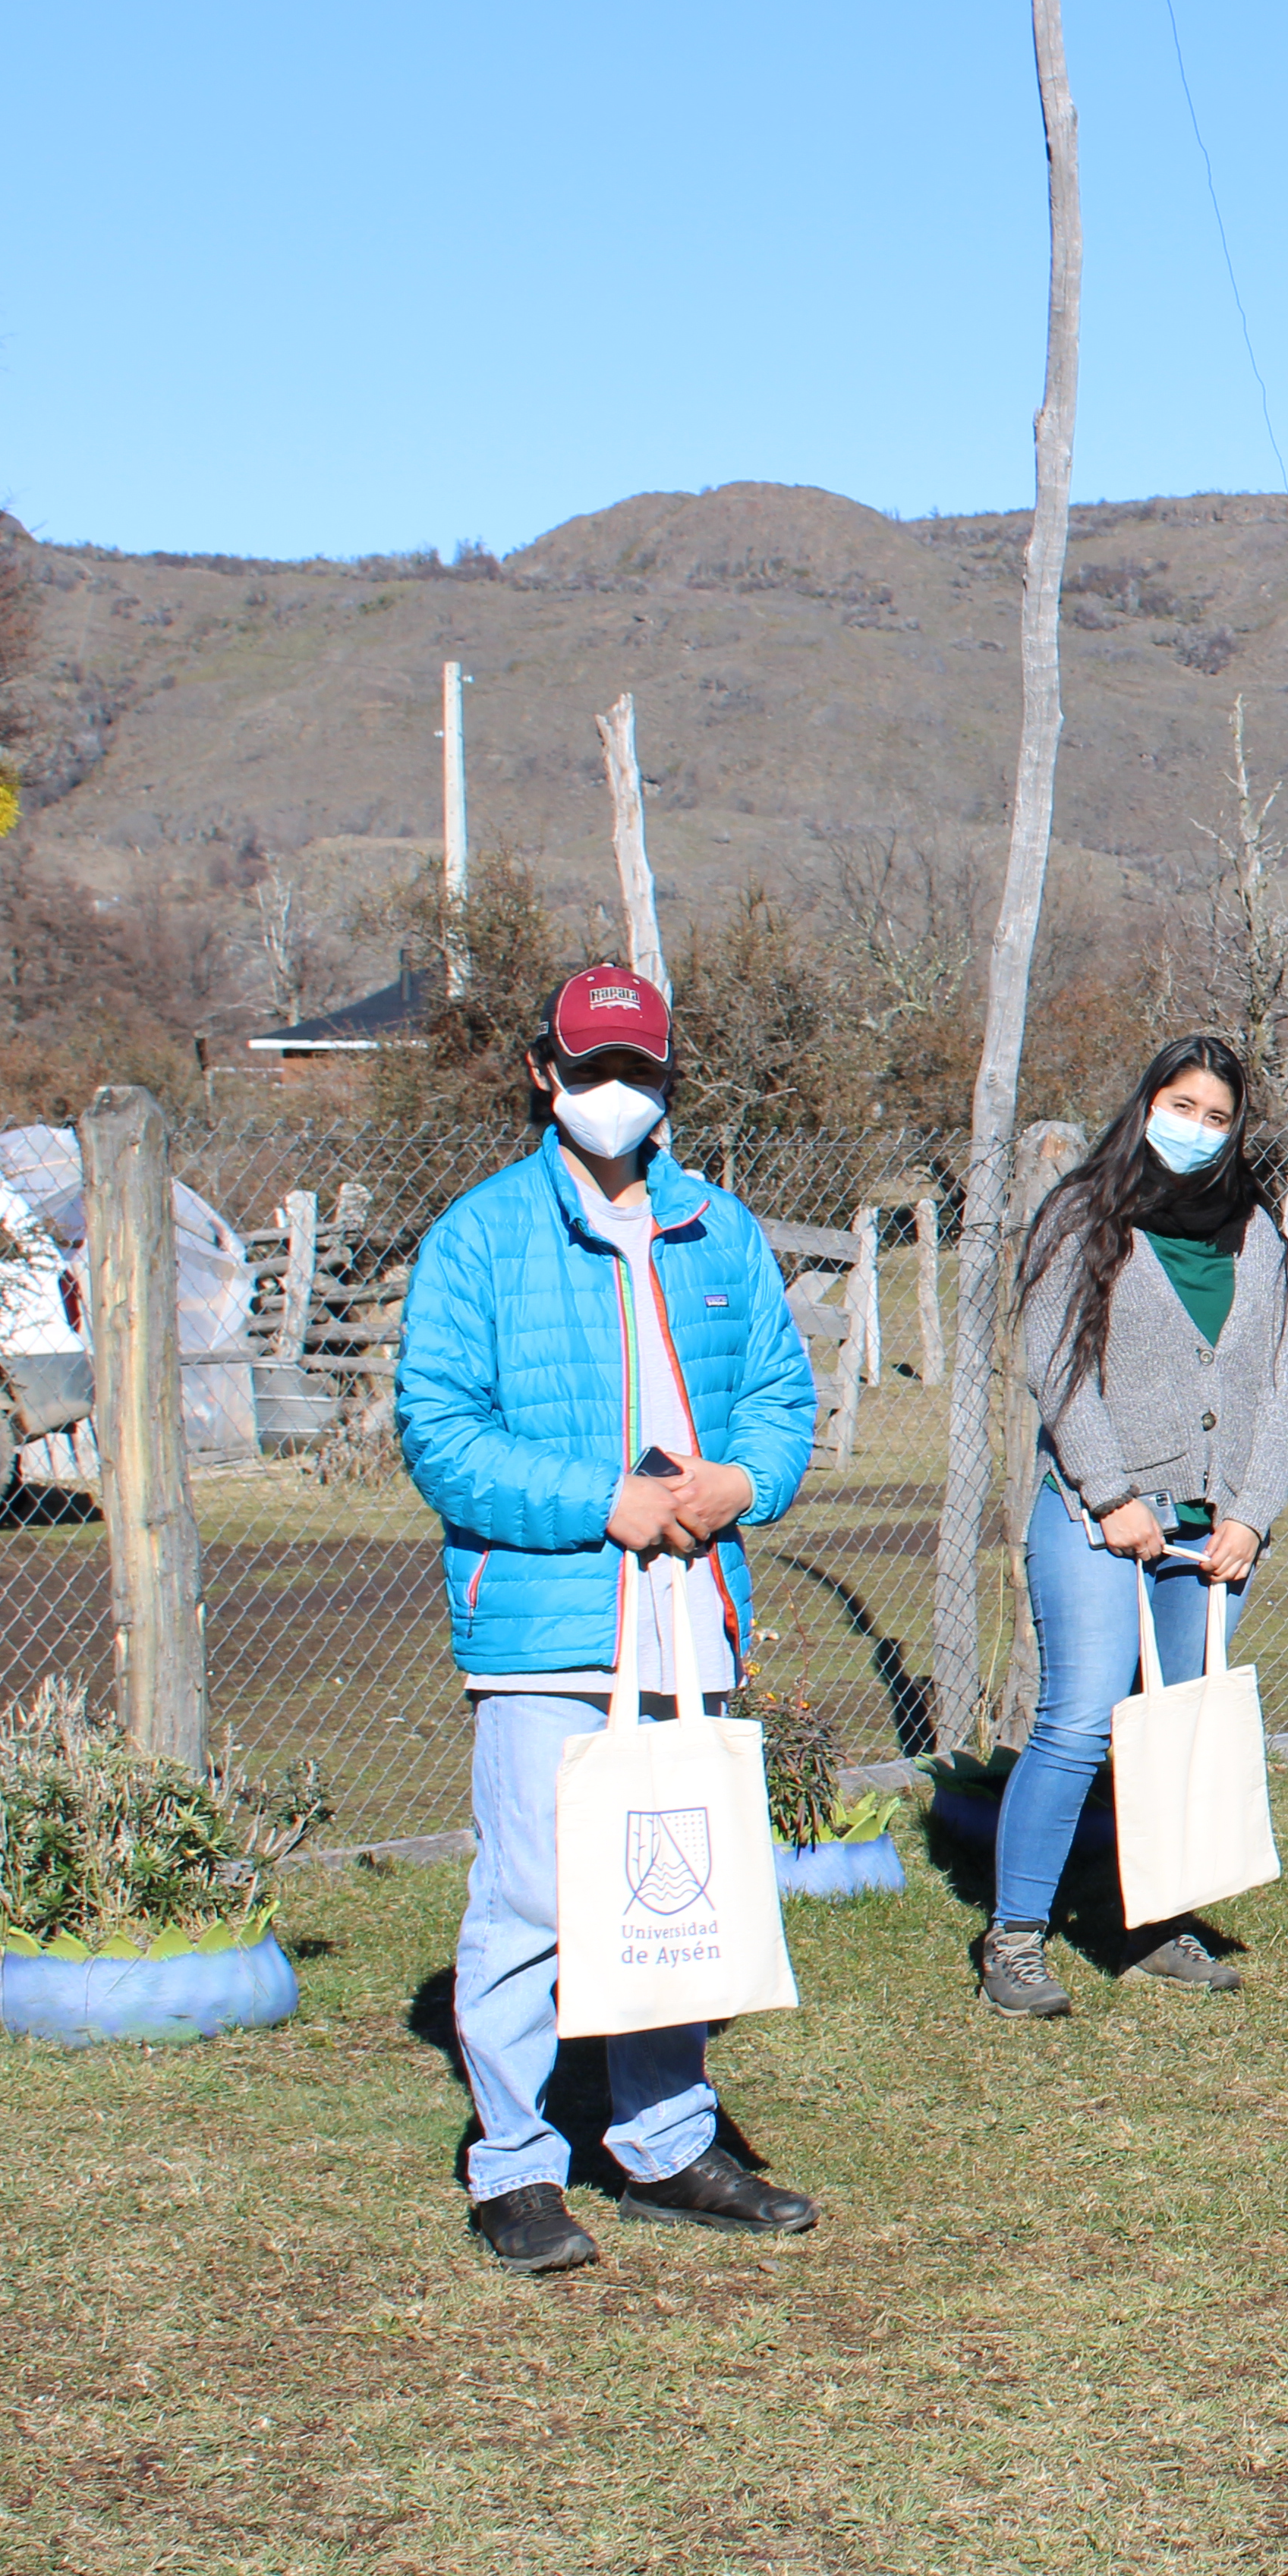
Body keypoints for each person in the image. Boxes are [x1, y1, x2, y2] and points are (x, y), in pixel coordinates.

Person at [392, 962, 822, 2275]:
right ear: (544, 1073)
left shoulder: (722, 1233)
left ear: (669, 1078)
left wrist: (739, 1482)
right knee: (531, 1892)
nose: (614, 1094)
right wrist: (604, 1503)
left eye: (637, 1071)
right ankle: (516, 2164)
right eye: (590, 1070)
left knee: (667, 1885)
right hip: (548, 1620)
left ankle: (667, 2141)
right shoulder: (479, 1237)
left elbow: (780, 1401)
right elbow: (441, 1433)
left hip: (691, 1610)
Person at [984, 1036, 1288, 2021]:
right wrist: (1112, 1491)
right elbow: (1055, 1361)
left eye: (1217, 1117)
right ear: (1146, 1103)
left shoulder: (1259, 1231)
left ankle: (1157, 1919)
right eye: (1182, 1105)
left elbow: (1283, 1380)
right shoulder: (1084, 1210)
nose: (1197, 1129)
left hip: (1214, 1530)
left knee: (1176, 1732)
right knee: (1080, 1720)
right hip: (1099, 1514)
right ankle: (1016, 1936)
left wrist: (1253, 1513)